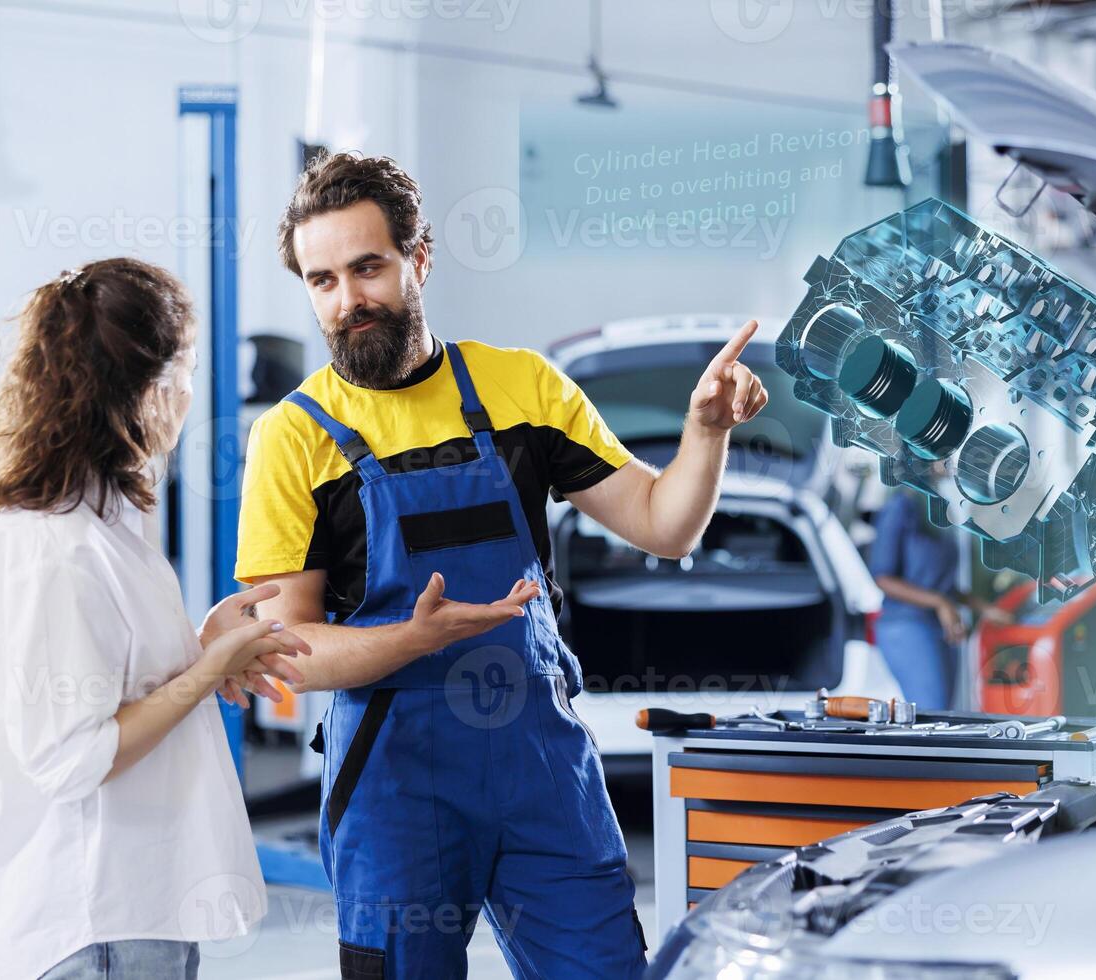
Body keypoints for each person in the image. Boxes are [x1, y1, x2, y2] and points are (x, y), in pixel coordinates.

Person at [237, 152, 768, 978]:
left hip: (540, 767)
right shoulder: (291, 438)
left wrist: (707, 430)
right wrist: (413, 639)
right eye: (323, 281)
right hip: (395, 783)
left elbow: (666, 527)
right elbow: (285, 651)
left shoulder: (521, 386)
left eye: (367, 268)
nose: (349, 302)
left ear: (419, 258)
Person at [0, 258, 309, 980]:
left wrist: (203, 648)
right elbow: (72, 756)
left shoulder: (102, 522)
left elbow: (112, 683)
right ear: (149, 390)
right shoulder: (56, 546)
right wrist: (207, 670)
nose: (189, 397)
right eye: (186, 373)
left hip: (134, 907)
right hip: (95, 921)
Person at [869, 489, 1009, 709]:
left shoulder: (938, 506)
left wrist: (985, 608)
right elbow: (883, 578)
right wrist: (940, 603)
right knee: (933, 714)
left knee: (945, 712)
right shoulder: (900, 507)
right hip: (908, 626)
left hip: (940, 628)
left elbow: (942, 586)